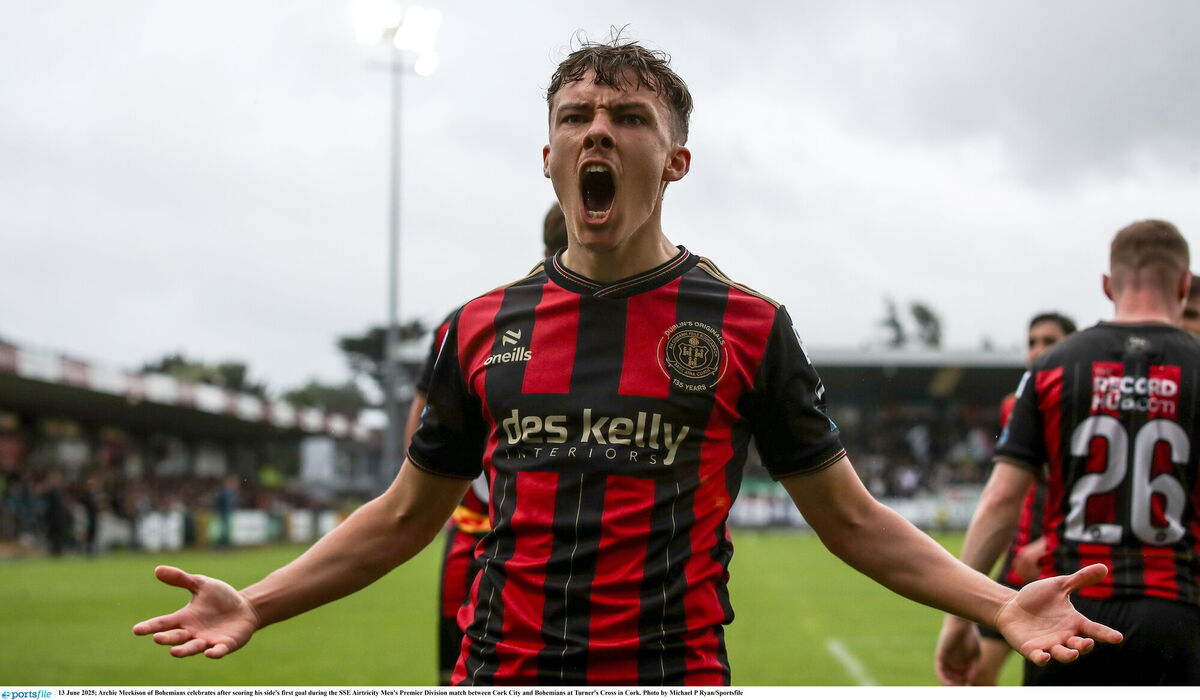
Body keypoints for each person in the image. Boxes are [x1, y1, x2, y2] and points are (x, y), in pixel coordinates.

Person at [134, 37, 1120, 685]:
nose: (597, 127)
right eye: (576, 116)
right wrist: (256, 603)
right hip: (504, 680)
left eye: (629, 116)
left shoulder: (747, 325)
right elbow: (401, 516)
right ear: (550, 156)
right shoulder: (476, 328)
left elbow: (853, 521)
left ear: (675, 160)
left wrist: (999, 605)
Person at [936, 219, 1199, 686]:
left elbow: (1000, 501)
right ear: (1184, 283)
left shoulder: (1053, 368)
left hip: (1065, 613)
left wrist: (958, 620)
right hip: (1178, 612)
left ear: (1106, 285)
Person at [402, 202, 568, 685]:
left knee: (458, 669)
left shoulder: (471, 319)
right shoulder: (481, 320)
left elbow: (421, 418)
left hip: (474, 530)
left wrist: (420, 488)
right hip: (546, 539)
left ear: (541, 249)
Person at [972, 311, 1075, 685]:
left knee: (1048, 676)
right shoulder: (1012, 406)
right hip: (1017, 558)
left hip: (1056, 559)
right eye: (1032, 342)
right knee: (977, 675)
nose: (1038, 350)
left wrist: (1049, 541)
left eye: (1050, 341)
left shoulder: (1080, 405)